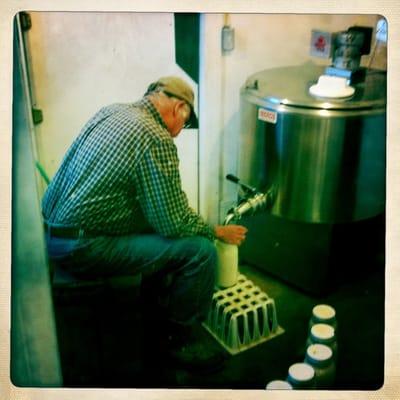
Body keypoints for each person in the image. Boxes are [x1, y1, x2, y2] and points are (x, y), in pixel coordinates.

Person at [42, 76, 248, 372]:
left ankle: (154, 312)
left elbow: (156, 211)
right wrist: (215, 230)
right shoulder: (155, 136)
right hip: (82, 248)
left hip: (53, 232)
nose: (179, 134)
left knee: (158, 230)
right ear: (180, 109)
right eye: (186, 125)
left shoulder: (112, 111)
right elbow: (174, 221)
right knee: (200, 251)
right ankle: (179, 340)